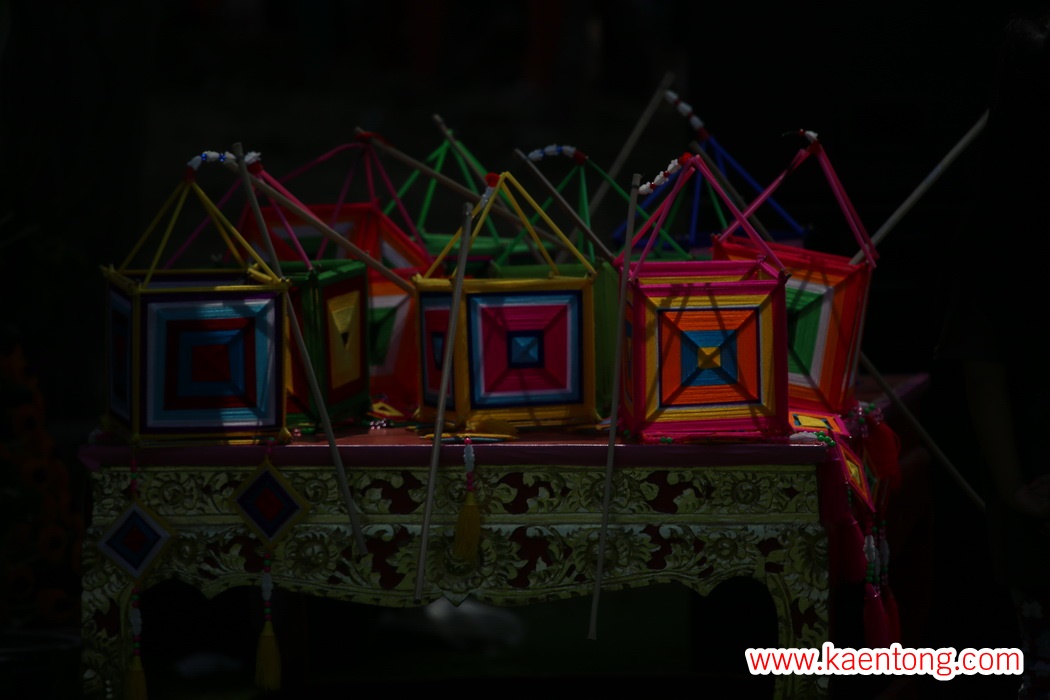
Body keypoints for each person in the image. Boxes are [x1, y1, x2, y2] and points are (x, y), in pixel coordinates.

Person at [936, 6, 1050, 698]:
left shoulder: (996, 214)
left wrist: (1013, 489)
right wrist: (1015, 490)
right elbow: (979, 358)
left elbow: (982, 364)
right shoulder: (1002, 224)